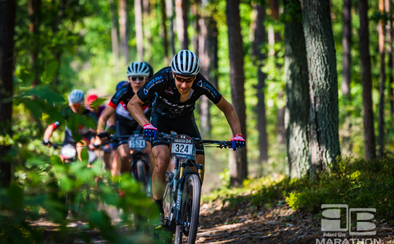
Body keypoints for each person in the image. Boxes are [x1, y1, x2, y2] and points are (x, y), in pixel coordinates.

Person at [127, 49, 246, 216]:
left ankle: (190, 203)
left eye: (188, 80)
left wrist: (237, 134)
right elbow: (133, 104)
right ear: (173, 74)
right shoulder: (162, 78)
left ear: (195, 77)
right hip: (161, 119)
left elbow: (228, 109)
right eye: (180, 79)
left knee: (199, 161)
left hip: (185, 120)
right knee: (162, 159)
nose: (184, 85)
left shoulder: (201, 83)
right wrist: (147, 125)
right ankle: (157, 208)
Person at [96, 62, 155, 177]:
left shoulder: (152, 91)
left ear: (146, 78)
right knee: (124, 154)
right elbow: (104, 117)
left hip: (142, 122)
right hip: (123, 123)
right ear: (129, 79)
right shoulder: (123, 91)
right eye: (134, 78)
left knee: (150, 151)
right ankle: (123, 185)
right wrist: (101, 132)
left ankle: (154, 186)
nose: (137, 81)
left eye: (141, 78)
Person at [43, 89, 98, 162]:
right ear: (69, 103)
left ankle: (85, 167)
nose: (75, 108)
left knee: (80, 147)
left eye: (78, 105)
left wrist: (97, 141)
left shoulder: (89, 114)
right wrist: (46, 138)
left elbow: (98, 129)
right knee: (64, 158)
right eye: (73, 105)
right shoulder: (66, 112)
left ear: (82, 104)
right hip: (69, 137)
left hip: (85, 137)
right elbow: (52, 126)